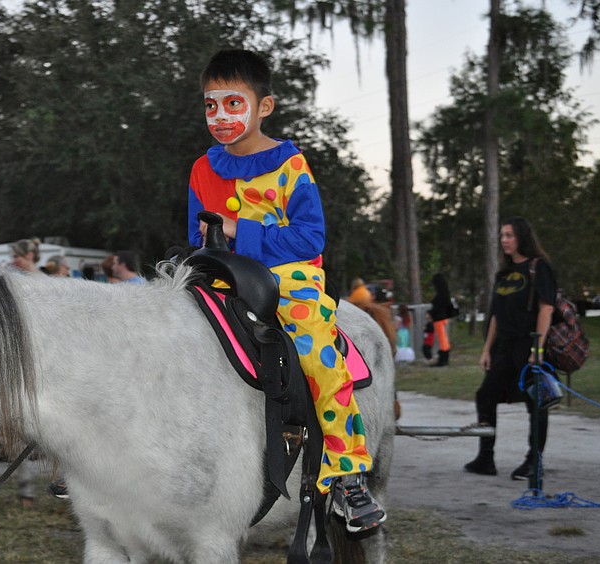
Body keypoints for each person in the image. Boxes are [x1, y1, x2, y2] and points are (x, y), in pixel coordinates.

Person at [186, 49, 384, 532]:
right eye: (211, 105)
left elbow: (310, 237)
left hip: (290, 276)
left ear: (264, 106)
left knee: (317, 351)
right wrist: (209, 249)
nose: (220, 116)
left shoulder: (291, 164)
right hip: (221, 275)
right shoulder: (201, 169)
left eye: (233, 103)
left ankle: (348, 476)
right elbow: (198, 236)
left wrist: (238, 230)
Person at [465, 217, 556, 479]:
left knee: (536, 402)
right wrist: (486, 350)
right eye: (502, 235)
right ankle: (485, 458)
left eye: (509, 235)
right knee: (486, 395)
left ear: (522, 237)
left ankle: (533, 462)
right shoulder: (503, 274)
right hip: (503, 346)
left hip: (529, 345)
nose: (504, 240)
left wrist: (537, 349)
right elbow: (496, 314)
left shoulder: (540, 268)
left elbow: (546, 308)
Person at [428, 273, 455, 366]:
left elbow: (437, 306)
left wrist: (431, 313)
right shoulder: (445, 293)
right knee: (443, 339)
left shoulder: (440, 295)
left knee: (442, 340)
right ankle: (444, 359)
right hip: (442, 318)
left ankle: (443, 360)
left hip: (439, 318)